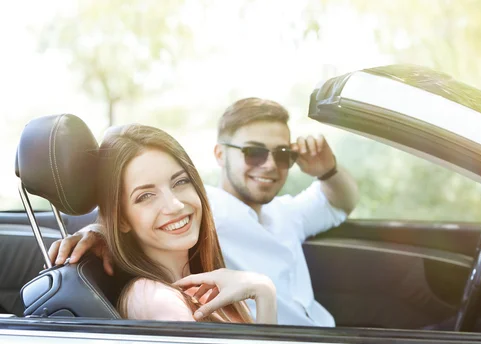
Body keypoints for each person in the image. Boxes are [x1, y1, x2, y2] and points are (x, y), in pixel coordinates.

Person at [49, 98, 359, 326]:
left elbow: (340, 202)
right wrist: (98, 230)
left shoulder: (284, 213)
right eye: (254, 152)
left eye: (282, 154)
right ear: (220, 154)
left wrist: (328, 169)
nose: (269, 164)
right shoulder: (210, 208)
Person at [93, 124, 277, 324]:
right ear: (121, 219)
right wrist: (264, 292)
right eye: (145, 196)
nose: (174, 205)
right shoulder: (155, 298)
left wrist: (263, 291)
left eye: (180, 182)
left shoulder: (210, 283)